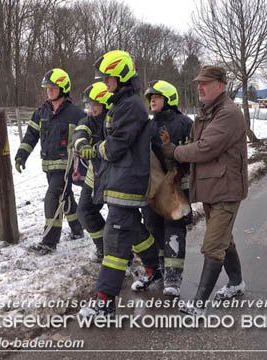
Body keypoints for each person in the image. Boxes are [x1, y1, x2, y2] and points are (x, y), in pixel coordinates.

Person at [78, 50, 160, 318]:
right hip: (122, 181)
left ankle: (105, 303)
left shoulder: (131, 106)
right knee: (134, 230)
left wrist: (95, 150)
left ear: (122, 77)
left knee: (114, 245)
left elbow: (115, 147)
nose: (104, 83)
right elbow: (102, 130)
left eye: (108, 78)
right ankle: (154, 268)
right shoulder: (122, 104)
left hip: (126, 183)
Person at [161, 65, 248, 316]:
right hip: (212, 187)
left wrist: (175, 152)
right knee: (224, 239)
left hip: (226, 189)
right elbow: (194, 142)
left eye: (205, 83)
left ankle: (198, 305)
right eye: (198, 83)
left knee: (212, 246)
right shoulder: (207, 112)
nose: (199, 86)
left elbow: (205, 148)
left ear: (220, 85)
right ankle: (236, 283)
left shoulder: (228, 113)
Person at [14, 68, 85, 254]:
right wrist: (21, 155)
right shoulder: (41, 113)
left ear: (63, 89)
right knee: (65, 197)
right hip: (48, 166)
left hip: (67, 167)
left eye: (53, 87)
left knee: (52, 198)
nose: (49, 91)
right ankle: (78, 229)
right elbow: (31, 135)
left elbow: (86, 136)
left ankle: (49, 241)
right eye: (47, 87)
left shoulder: (76, 114)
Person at [134, 80, 193, 297]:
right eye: (150, 98)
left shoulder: (185, 123)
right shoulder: (148, 126)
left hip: (177, 189)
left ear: (168, 99)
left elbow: (192, 155)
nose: (152, 101)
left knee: (174, 230)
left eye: (156, 97)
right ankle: (159, 270)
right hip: (153, 189)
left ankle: (174, 278)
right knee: (153, 227)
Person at [72, 82, 112, 263]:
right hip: (94, 177)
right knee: (85, 212)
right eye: (90, 105)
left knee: (118, 220)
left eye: (96, 105)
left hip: (115, 179)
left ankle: (123, 254)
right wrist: (82, 145)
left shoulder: (116, 121)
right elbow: (79, 133)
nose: (92, 109)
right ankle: (103, 248)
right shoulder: (88, 121)